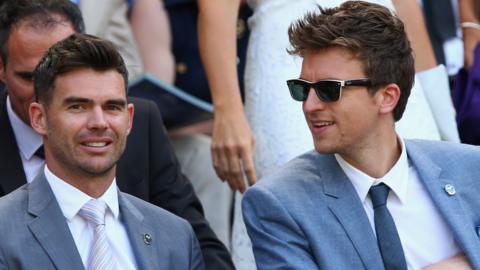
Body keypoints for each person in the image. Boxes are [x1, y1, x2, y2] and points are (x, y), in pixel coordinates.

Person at [242, 1, 480, 269]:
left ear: (387, 97)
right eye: (302, 89)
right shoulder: (280, 204)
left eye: (328, 89)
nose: (309, 106)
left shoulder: (472, 170)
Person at [0, 1, 234, 268]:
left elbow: (200, 249)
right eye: (77, 106)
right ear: (38, 116)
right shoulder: (7, 228)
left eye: (112, 106)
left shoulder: (175, 234)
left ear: (129, 118)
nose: (99, 122)